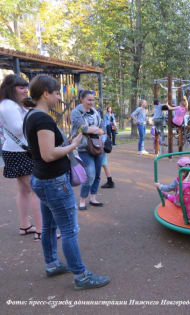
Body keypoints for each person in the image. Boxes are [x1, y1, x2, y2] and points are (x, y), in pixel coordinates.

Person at [23, 74, 110, 290]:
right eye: (56, 94)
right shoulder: (41, 118)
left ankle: (52, 263)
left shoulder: (31, 116)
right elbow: (49, 154)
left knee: (50, 226)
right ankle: (81, 276)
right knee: (70, 230)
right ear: (46, 94)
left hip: (43, 179)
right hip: (53, 181)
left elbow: (46, 149)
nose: (58, 98)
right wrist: (72, 147)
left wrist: (69, 142)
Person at [0, 74, 42, 240]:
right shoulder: (9, 106)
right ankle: (41, 229)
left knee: (24, 190)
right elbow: (19, 129)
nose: (26, 90)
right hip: (20, 151)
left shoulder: (12, 104)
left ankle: (25, 226)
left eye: (26, 87)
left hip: (17, 150)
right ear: (11, 89)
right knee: (34, 190)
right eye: (21, 87)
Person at [70, 90, 105, 211]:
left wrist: (93, 129)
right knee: (90, 174)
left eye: (93, 100)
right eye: (89, 100)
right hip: (84, 148)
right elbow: (83, 129)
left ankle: (93, 197)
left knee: (97, 175)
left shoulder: (95, 111)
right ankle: (83, 199)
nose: (91, 102)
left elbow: (103, 127)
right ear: (82, 99)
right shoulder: (76, 112)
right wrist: (93, 129)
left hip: (98, 146)